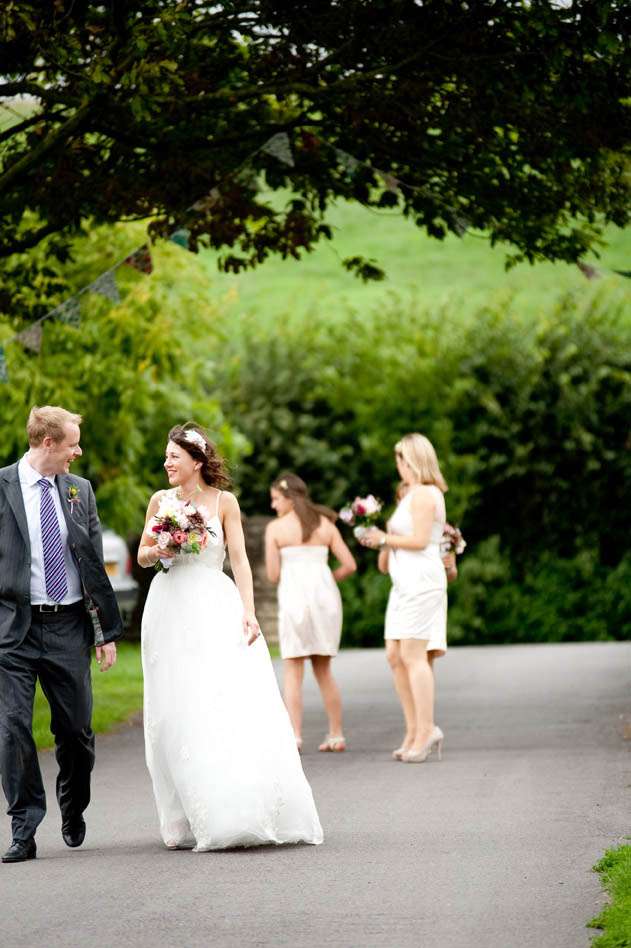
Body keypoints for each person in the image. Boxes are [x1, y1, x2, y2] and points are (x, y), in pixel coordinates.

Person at [138, 425, 323, 851]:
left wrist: (249, 612)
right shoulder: (160, 501)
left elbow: (238, 560)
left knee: (219, 701)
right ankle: (182, 815)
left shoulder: (225, 503)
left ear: (197, 461)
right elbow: (143, 554)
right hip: (168, 610)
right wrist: (159, 550)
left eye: (174, 456)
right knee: (173, 711)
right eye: (166, 456)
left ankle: (232, 807)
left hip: (213, 606)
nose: (166, 463)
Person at [0, 406, 121, 864]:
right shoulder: (3, 486)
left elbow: (93, 565)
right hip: (14, 628)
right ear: (48, 443)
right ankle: (23, 826)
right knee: (12, 727)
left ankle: (73, 804)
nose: (79, 451)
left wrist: (104, 631)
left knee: (76, 731)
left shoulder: (79, 490)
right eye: (73, 443)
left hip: (68, 626)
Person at [360, 433, 448, 763]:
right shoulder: (408, 495)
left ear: (411, 460)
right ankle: (412, 730)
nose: (398, 466)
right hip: (403, 585)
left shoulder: (425, 494)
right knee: (395, 655)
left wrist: (385, 538)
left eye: (400, 459)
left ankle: (426, 730)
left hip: (421, 582)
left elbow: (422, 540)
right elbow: (396, 543)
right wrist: (382, 542)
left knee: (414, 656)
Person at [265, 474, 356, 753]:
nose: (273, 505)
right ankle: (336, 734)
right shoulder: (325, 524)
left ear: (289, 498)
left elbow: (273, 575)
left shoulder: (276, 529)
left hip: (294, 600)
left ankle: (295, 736)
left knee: (293, 671)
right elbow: (350, 565)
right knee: (324, 670)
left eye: (276, 499)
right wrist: (327, 580)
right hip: (325, 601)